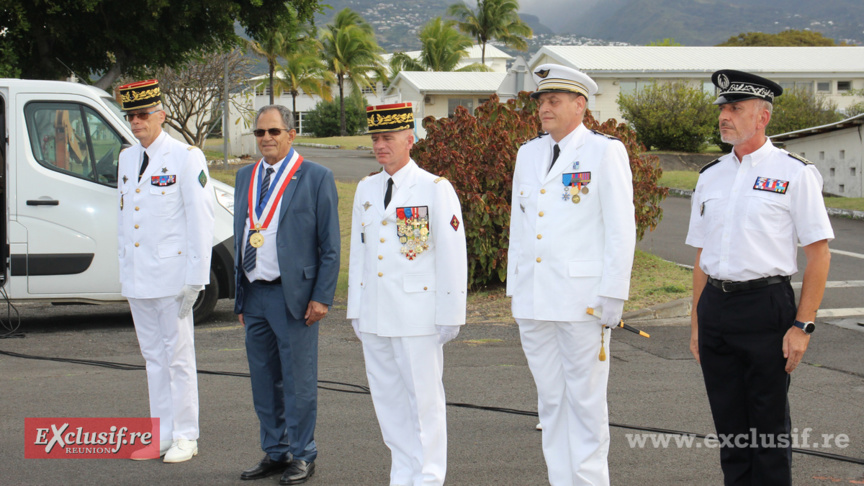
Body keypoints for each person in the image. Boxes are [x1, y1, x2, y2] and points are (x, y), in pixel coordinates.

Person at [686, 70, 833, 486]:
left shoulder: (795, 173)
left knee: (767, 430)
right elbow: (701, 256)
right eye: (722, 108)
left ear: (763, 117)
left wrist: (802, 325)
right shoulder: (710, 175)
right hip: (716, 307)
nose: (724, 116)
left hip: (766, 308)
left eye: (735, 108)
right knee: (730, 429)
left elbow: (818, 255)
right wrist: (698, 321)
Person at [506, 64, 636, 486]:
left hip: (583, 300)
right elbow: (520, 226)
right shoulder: (529, 153)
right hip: (534, 299)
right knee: (551, 403)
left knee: (585, 404)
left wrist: (613, 296)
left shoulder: (604, 151)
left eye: (554, 101)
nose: (544, 108)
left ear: (580, 105)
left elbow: (621, 227)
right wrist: (515, 288)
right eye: (542, 101)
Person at [346, 102, 467, 486]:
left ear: (409, 140)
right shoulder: (367, 188)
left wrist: (450, 314)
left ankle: (429, 477)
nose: (381, 145)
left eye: (389, 138)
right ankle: (403, 473)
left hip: (418, 315)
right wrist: (355, 310)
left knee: (424, 404)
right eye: (376, 138)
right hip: (376, 314)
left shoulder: (434, 188)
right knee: (388, 402)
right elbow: (360, 254)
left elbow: (451, 254)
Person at [234, 105, 339, 485]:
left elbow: (330, 246)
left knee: (298, 381)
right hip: (255, 293)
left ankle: (303, 453)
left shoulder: (315, 177)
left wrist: (322, 296)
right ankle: (275, 452)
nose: (266, 139)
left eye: (274, 131)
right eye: (260, 132)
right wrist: (240, 295)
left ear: (290, 134)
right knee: (263, 380)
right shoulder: (245, 176)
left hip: (293, 298)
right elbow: (243, 231)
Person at [117, 79, 215, 463]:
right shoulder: (127, 158)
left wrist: (197, 278)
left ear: (161, 115)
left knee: (178, 357)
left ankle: (186, 435)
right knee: (152, 358)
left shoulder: (185, 157)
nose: (136, 122)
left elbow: (200, 219)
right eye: (131, 115)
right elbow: (126, 218)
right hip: (139, 277)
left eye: (143, 114)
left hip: (172, 277)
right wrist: (124, 269)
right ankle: (160, 434)